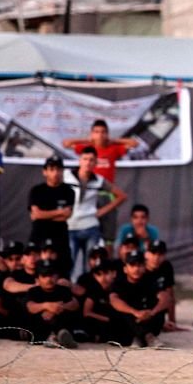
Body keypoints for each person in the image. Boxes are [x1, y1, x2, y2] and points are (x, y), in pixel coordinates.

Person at [63, 119, 138, 249]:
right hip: (90, 192)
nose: (100, 135)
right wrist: (89, 140)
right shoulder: (88, 150)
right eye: (96, 132)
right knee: (86, 229)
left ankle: (107, 266)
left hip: (107, 193)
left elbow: (134, 143)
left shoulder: (113, 149)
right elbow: (66, 143)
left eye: (103, 132)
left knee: (108, 237)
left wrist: (112, 141)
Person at [65, 147, 127, 280]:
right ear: (80, 160)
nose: (88, 163)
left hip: (90, 227)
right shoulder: (67, 176)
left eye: (91, 160)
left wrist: (103, 211)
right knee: (68, 266)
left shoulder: (99, 180)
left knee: (93, 267)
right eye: (85, 159)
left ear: (95, 163)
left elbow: (121, 196)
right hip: (70, 227)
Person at [110, 249, 170, 348]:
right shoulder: (119, 282)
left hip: (147, 318)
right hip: (129, 322)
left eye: (139, 265)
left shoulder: (150, 280)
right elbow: (114, 300)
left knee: (158, 309)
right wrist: (135, 312)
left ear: (144, 267)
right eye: (132, 265)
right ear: (125, 268)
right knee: (122, 311)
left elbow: (166, 298)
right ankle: (147, 336)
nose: (136, 269)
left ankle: (139, 337)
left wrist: (152, 312)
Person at [28, 156, 75, 275]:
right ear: (45, 171)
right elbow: (36, 214)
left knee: (62, 271)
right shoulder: (36, 191)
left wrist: (44, 214)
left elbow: (66, 215)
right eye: (52, 169)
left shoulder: (68, 191)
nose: (55, 173)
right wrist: (59, 212)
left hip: (60, 237)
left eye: (59, 169)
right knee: (37, 270)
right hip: (39, 235)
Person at [24, 259, 80, 348]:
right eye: (44, 276)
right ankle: (52, 338)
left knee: (66, 318)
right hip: (41, 325)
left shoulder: (63, 290)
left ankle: (60, 337)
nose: (49, 279)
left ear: (57, 276)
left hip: (59, 323)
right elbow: (30, 307)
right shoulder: (33, 291)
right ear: (38, 278)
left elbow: (74, 304)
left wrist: (57, 308)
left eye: (52, 275)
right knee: (33, 321)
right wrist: (46, 306)